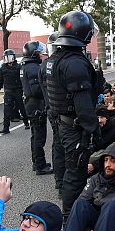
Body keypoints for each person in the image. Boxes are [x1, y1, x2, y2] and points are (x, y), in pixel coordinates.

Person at [44, 11, 100, 220]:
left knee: (69, 168)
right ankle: (70, 219)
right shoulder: (75, 62)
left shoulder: (54, 59)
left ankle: (73, 215)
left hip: (61, 122)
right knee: (75, 174)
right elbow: (83, 106)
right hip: (74, 127)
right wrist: (94, 130)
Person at [20, 40, 53, 175]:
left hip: (30, 105)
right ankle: (40, 165)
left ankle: (36, 162)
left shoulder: (25, 66)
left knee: (35, 136)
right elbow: (36, 90)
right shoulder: (33, 68)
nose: (41, 55)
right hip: (36, 105)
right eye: (39, 52)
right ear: (33, 53)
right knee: (39, 137)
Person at [39, 33, 65, 194]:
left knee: (57, 145)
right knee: (65, 148)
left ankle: (59, 181)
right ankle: (63, 184)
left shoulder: (44, 65)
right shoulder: (61, 64)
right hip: (63, 113)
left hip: (51, 110)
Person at [0, 49, 29, 134]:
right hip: (8, 92)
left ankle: (26, 123)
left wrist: (25, 90)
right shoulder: (3, 67)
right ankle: (6, 128)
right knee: (6, 111)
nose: (7, 59)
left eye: (9, 57)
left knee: (22, 107)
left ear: (13, 57)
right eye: (6, 57)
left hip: (18, 91)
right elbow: (0, 80)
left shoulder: (19, 67)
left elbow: (23, 79)